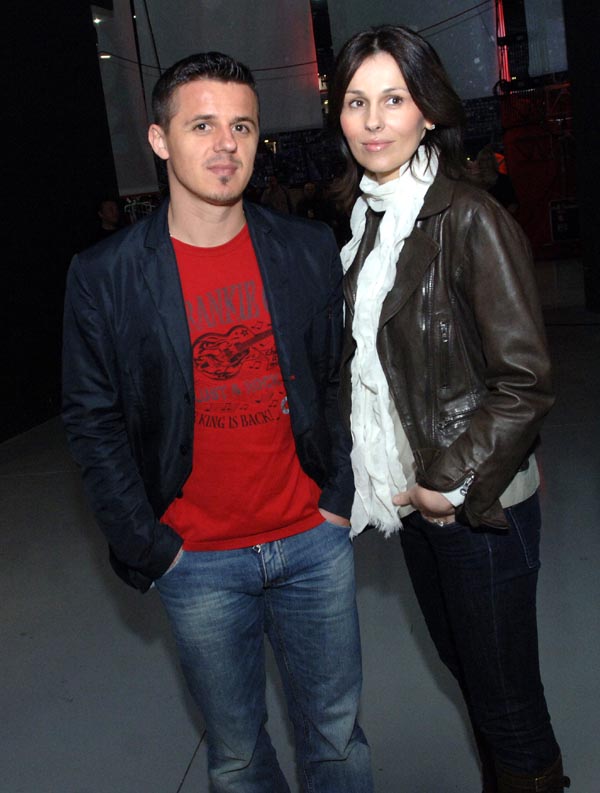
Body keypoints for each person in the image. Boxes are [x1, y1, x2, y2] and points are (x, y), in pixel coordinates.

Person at [62, 51, 373, 793]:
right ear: (159, 139)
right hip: (196, 559)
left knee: (337, 740)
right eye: (201, 125)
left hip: (312, 540)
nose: (226, 143)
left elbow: (339, 378)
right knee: (236, 756)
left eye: (242, 126)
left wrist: (338, 496)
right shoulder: (106, 275)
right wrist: (151, 545)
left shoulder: (306, 249)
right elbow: (93, 421)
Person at [329, 25, 569, 793]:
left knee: (508, 703)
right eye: (356, 102)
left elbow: (525, 380)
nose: (373, 121)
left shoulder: (468, 217)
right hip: (415, 502)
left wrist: (448, 481)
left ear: (428, 110)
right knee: (470, 675)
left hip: (476, 502)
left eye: (393, 99)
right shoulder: (368, 223)